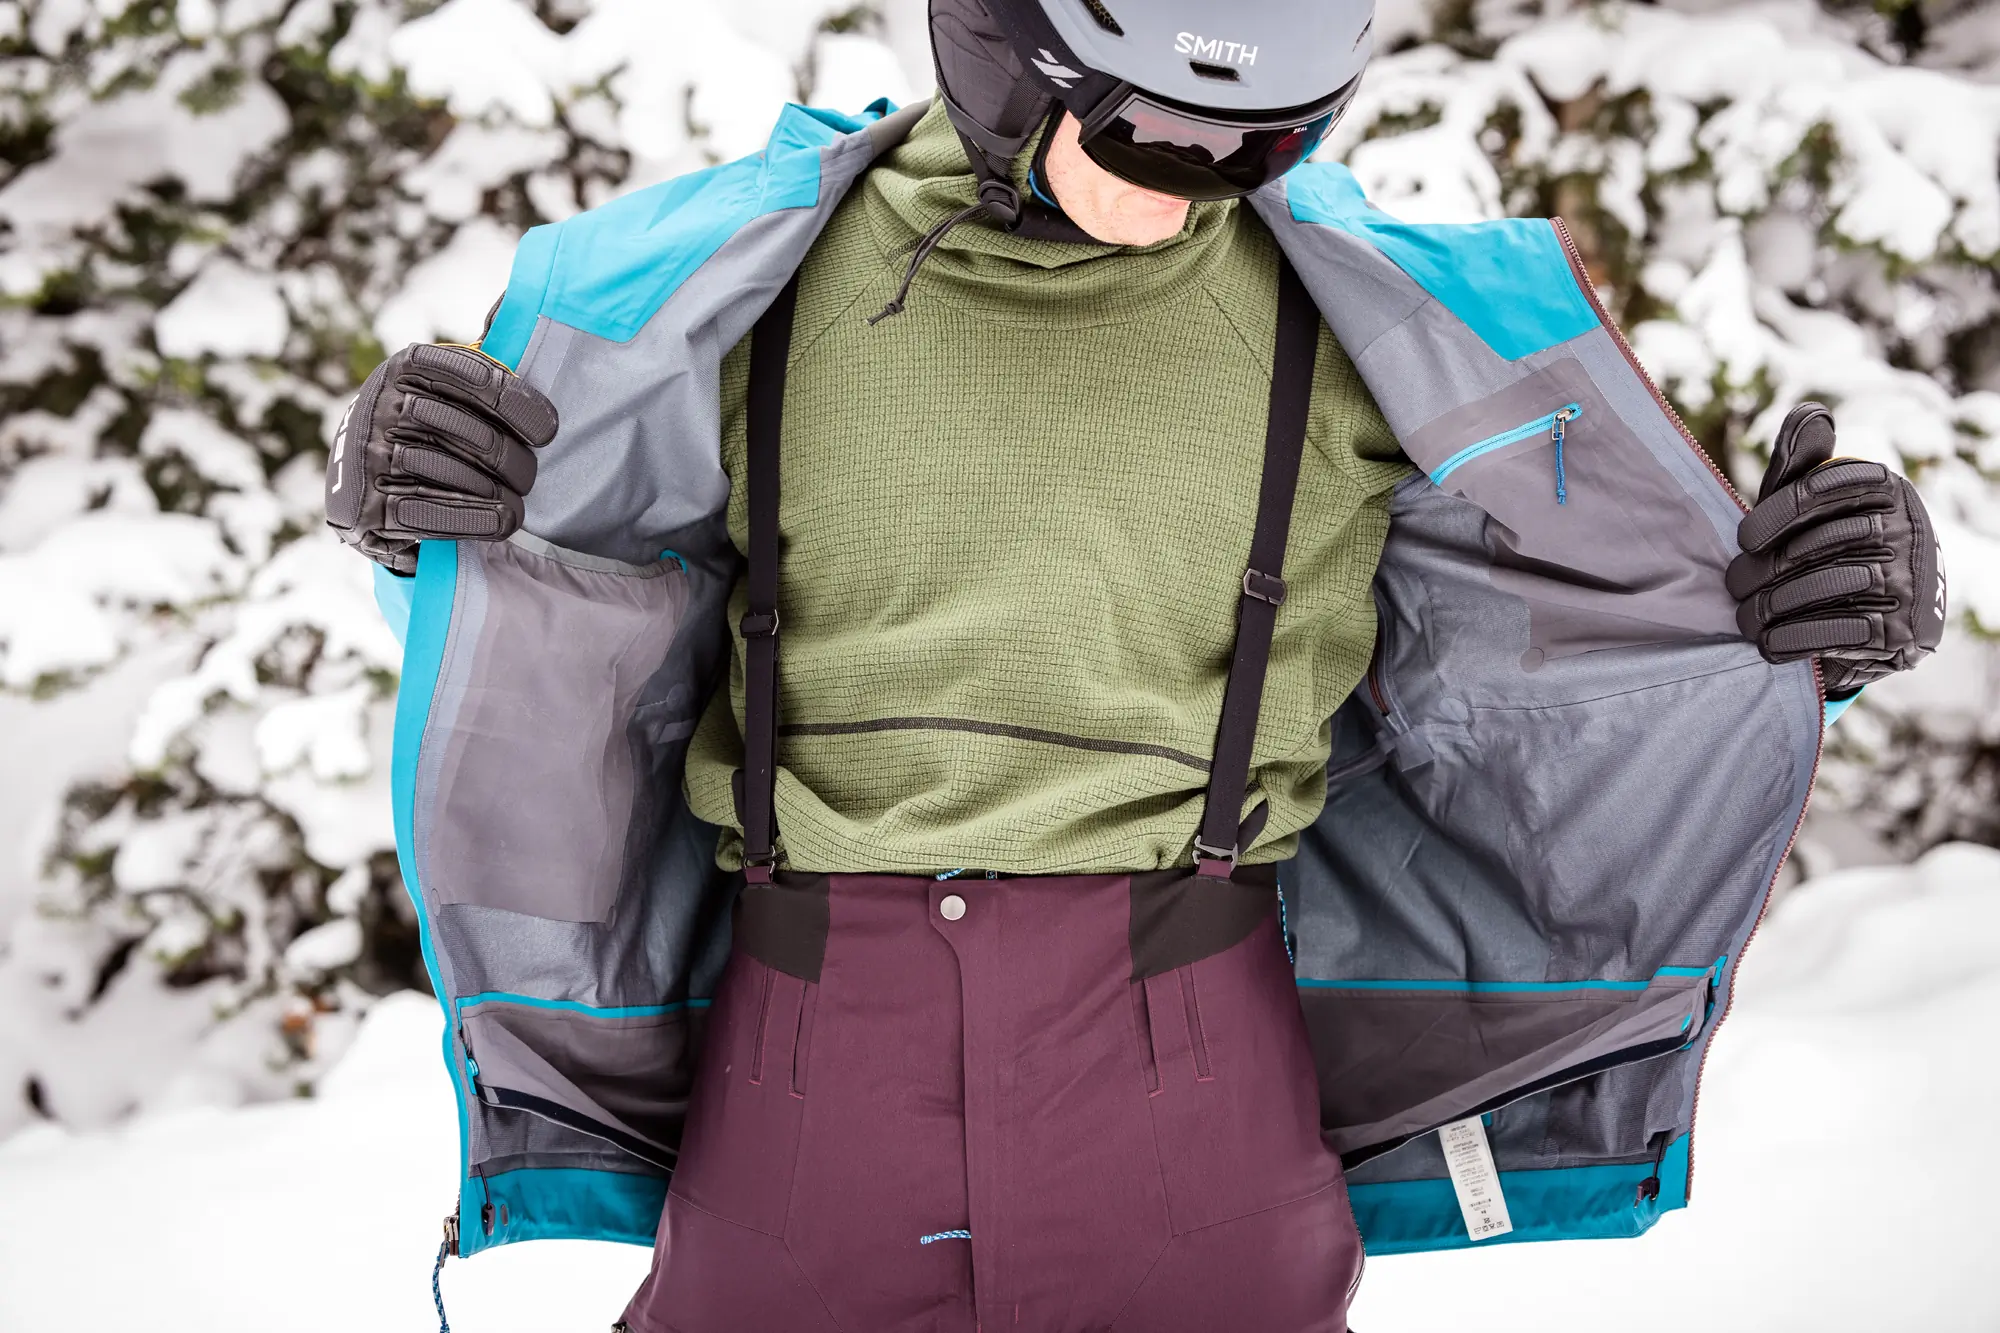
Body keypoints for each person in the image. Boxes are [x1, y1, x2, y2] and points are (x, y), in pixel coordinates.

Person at [326, 2, 1945, 1329]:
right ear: (1001, 50)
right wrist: (431, 519)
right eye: (1153, 132)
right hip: (811, 1044)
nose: (1203, 178)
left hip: (1191, 1045)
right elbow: (574, 624)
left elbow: (1583, 647)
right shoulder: (736, 297)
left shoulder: (1366, 319)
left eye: (1266, 143)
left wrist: (1801, 623)